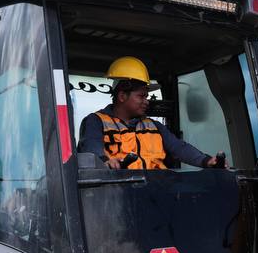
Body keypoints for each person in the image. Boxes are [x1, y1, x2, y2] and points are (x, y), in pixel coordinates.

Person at [77, 57, 225, 171]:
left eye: (147, 97)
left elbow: (180, 148)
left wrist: (206, 161)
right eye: (141, 96)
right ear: (122, 96)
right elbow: (91, 149)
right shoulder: (95, 121)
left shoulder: (154, 126)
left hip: (156, 192)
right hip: (117, 196)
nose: (146, 101)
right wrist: (105, 161)